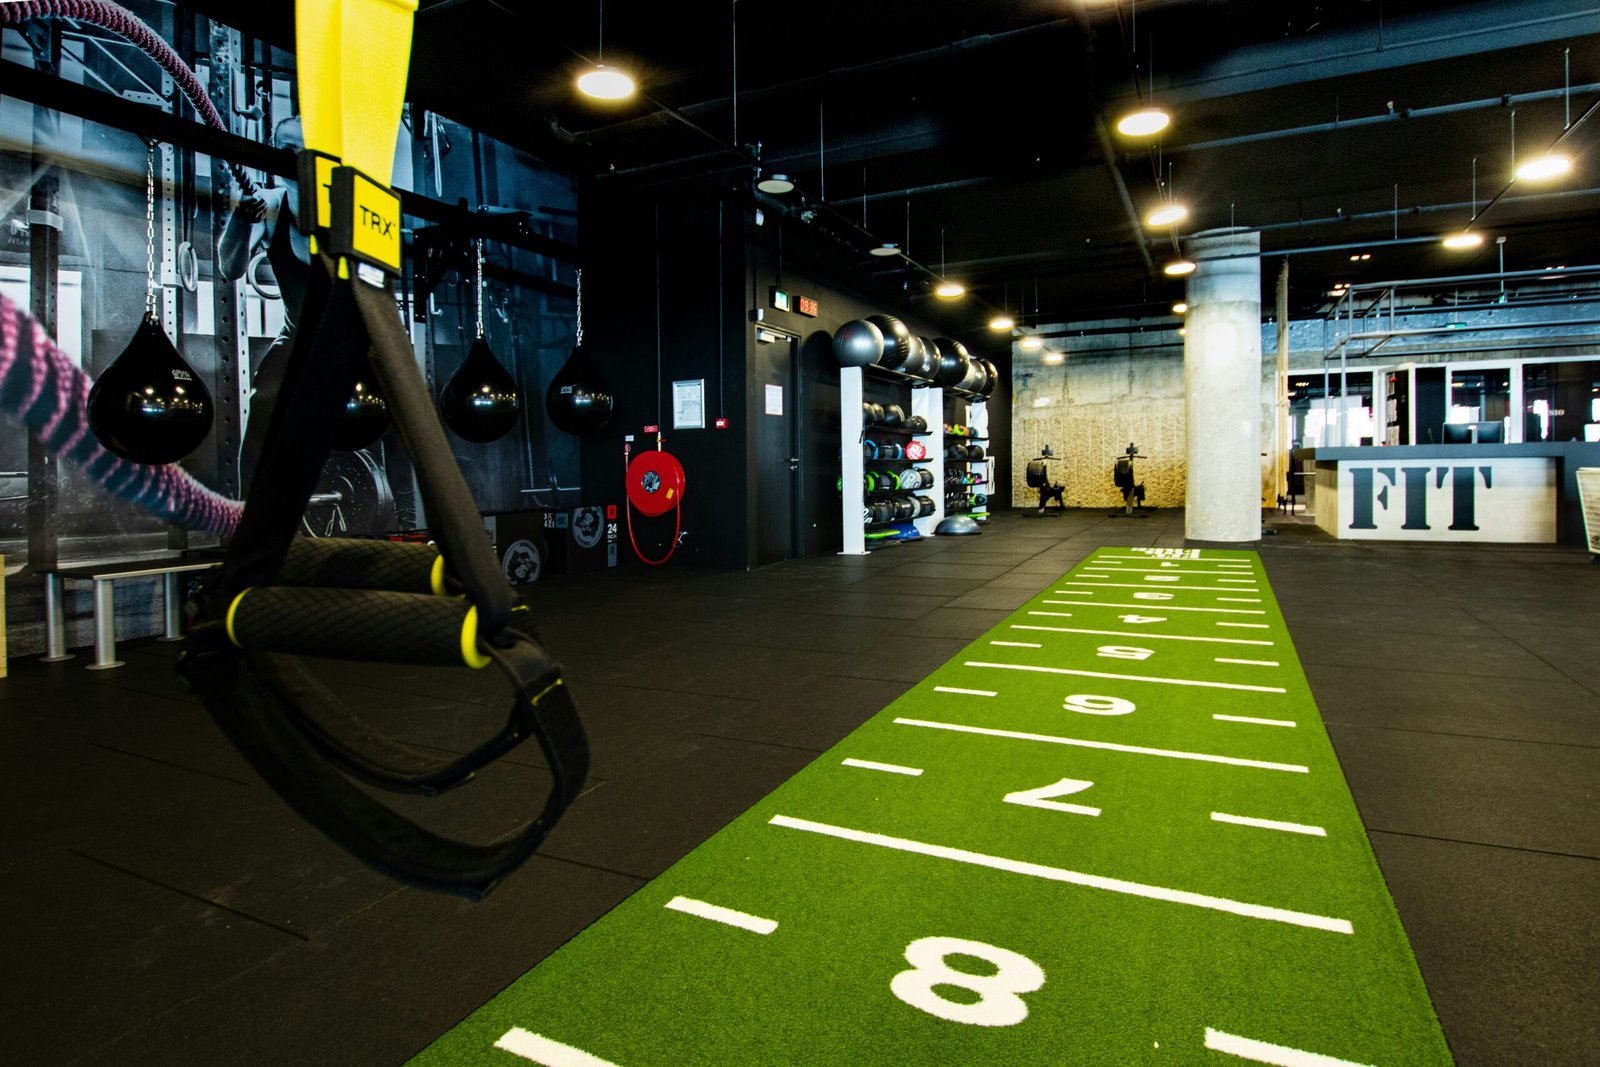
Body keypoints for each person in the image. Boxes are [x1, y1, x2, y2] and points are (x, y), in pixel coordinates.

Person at [218, 115, 311, 490]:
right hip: (297, 336)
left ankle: (406, 516)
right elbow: (230, 267)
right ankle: (251, 513)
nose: (297, 160)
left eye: (307, 151)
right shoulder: (271, 205)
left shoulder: (347, 205)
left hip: (350, 338)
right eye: (287, 151)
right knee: (263, 402)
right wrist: (241, 221)